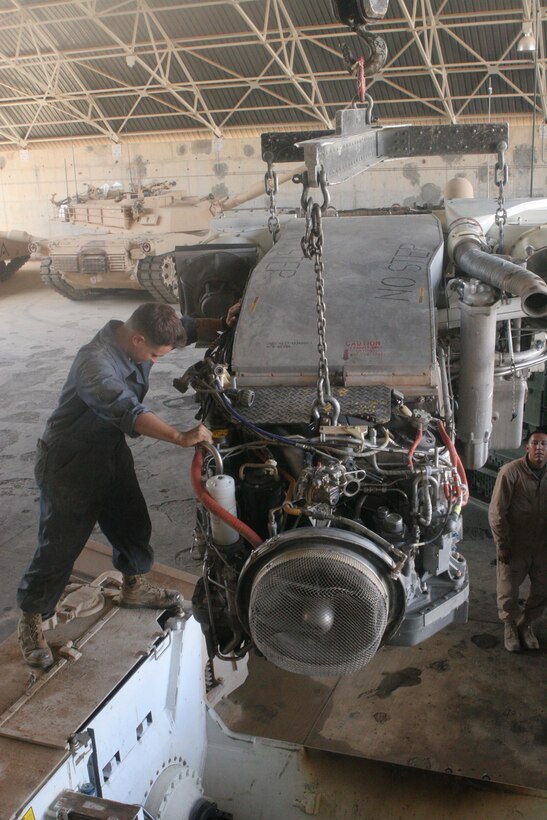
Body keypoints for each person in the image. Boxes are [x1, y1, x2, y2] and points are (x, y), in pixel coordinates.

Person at [17, 301, 240, 669]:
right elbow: (127, 410)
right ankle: (32, 618)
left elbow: (185, 327)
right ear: (137, 339)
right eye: (154, 355)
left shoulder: (145, 332)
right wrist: (178, 436)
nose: (155, 359)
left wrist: (222, 320)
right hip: (70, 461)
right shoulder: (95, 363)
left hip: (109, 450)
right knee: (59, 545)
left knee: (132, 521)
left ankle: (134, 585)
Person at [488, 426, 547, 653]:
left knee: (542, 589)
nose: (539, 448)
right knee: (508, 589)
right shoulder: (510, 472)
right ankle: (510, 625)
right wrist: (502, 543)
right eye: (535, 443)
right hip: (515, 544)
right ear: (527, 447)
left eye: (544, 444)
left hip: (542, 546)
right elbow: (496, 511)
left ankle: (526, 624)